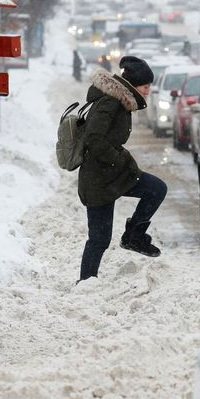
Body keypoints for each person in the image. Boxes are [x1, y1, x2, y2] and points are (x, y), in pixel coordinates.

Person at [77, 56, 167, 281]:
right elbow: (94, 139)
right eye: (146, 86)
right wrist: (118, 159)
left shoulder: (119, 101)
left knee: (156, 189)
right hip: (98, 177)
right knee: (99, 238)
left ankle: (133, 236)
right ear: (134, 84)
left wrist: (118, 161)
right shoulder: (111, 101)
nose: (148, 91)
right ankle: (86, 283)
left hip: (113, 174)